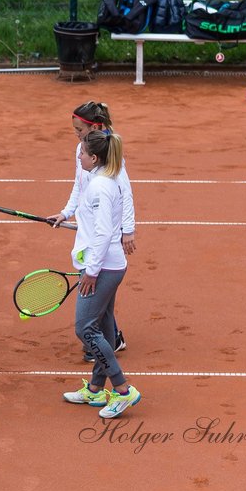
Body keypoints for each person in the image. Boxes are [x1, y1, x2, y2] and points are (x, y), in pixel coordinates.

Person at [60, 129, 142, 418]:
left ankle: (123, 390)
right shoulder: (101, 181)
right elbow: (96, 225)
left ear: (94, 157)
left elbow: (105, 232)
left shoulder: (100, 188)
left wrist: (91, 271)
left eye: (81, 152)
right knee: (105, 327)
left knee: (85, 329)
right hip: (106, 263)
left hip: (103, 266)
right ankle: (95, 389)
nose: (78, 156)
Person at [48, 101, 135, 358]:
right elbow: (79, 186)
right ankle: (111, 340)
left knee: (97, 287)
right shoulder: (83, 151)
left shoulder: (109, 156)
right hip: (92, 230)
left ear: (93, 127)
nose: (76, 136)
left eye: (79, 130)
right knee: (103, 297)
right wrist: (66, 212)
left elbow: (126, 194)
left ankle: (98, 344)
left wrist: (128, 230)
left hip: (104, 234)